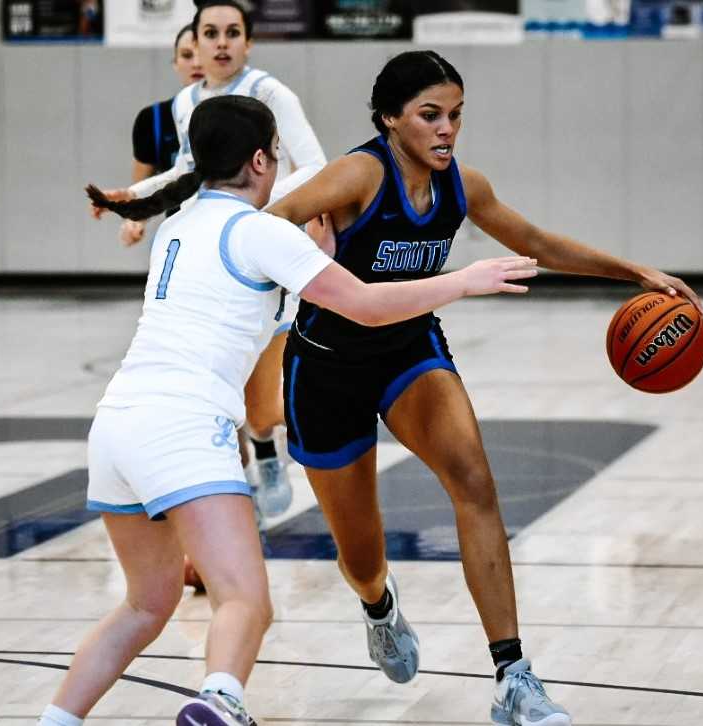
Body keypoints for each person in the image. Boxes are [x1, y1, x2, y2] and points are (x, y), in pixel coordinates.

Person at [92, 50, 703, 726]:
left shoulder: (460, 186)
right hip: (325, 368)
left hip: (409, 353)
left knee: (474, 482)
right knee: (362, 555)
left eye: (455, 116)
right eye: (430, 116)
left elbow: (534, 241)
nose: (446, 130)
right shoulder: (357, 174)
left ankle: (513, 677)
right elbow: (264, 222)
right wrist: (303, 244)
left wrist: (634, 272)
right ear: (390, 119)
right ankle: (378, 603)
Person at [47, 94, 539, 726]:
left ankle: (56, 719)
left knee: (146, 605)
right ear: (260, 159)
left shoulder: (176, 227)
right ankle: (221, 701)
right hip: (182, 428)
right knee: (246, 602)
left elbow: (255, 297)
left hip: (115, 427)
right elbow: (363, 305)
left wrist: (319, 258)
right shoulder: (262, 232)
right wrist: (462, 280)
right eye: (276, 152)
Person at [101, 0, 327, 522]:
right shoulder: (186, 103)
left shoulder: (270, 93)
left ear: (248, 42)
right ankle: (224, 487)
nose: (221, 42)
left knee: (264, 405)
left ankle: (268, 447)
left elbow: (315, 164)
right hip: (212, 256)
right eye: (210, 33)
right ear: (195, 45)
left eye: (232, 32)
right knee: (217, 384)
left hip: (264, 250)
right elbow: (186, 170)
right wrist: (131, 198)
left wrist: (259, 212)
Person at [121, 23, 203, 246]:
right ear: (175, 64)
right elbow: (143, 186)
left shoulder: (246, 113)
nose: (196, 63)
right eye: (186, 55)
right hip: (180, 235)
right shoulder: (153, 119)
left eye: (202, 53)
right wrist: (135, 218)